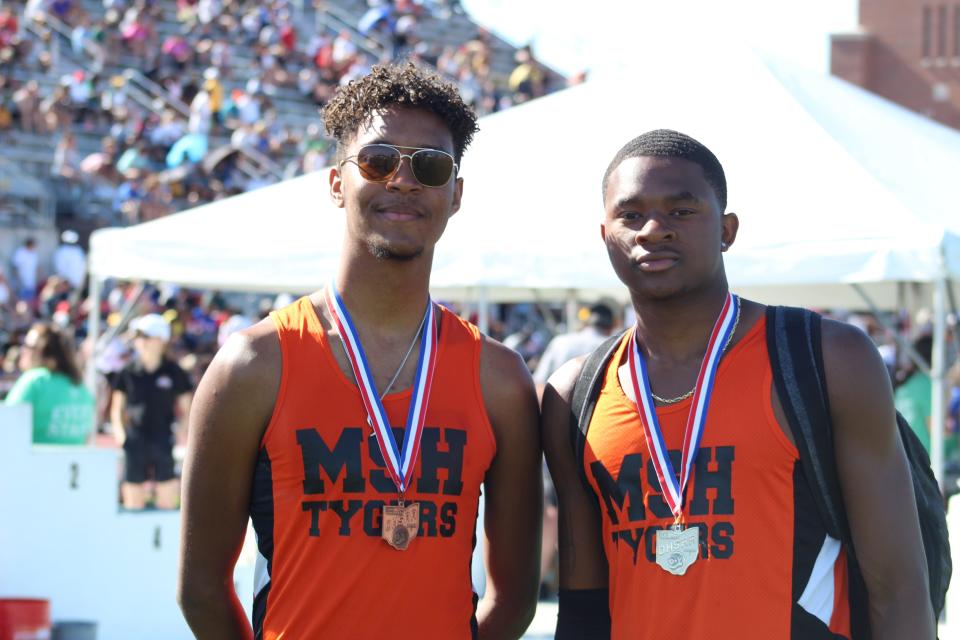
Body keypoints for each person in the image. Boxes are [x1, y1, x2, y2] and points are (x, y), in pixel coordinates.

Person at [177, 62, 542, 639]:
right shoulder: (254, 365)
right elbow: (201, 591)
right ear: (335, 182)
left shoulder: (499, 378)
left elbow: (515, 599)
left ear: (455, 194)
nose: (402, 180)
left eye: (430, 165)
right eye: (377, 161)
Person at [541, 129, 934, 639]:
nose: (653, 230)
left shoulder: (825, 358)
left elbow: (900, 587)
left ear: (727, 230)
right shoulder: (575, 395)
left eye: (682, 212)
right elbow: (583, 609)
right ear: (605, 234)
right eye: (631, 215)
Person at [110, 313, 193, 510]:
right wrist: (121, 435)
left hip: (163, 437)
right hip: (134, 438)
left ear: (161, 340)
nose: (140, 342)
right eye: (138, 337)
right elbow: (116, 409)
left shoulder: (174, 371)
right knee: (133, 500)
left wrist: (180, 431)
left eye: (145, 337)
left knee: (166, 497)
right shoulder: (128, 371)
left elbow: (188, 408)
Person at [4, 321, 94, 445]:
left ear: (41, 350)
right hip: (72, 462)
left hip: (34, 461)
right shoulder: (80, 386)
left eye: (28, 345)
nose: (22, 350)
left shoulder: (35, 380)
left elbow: (6, 424)